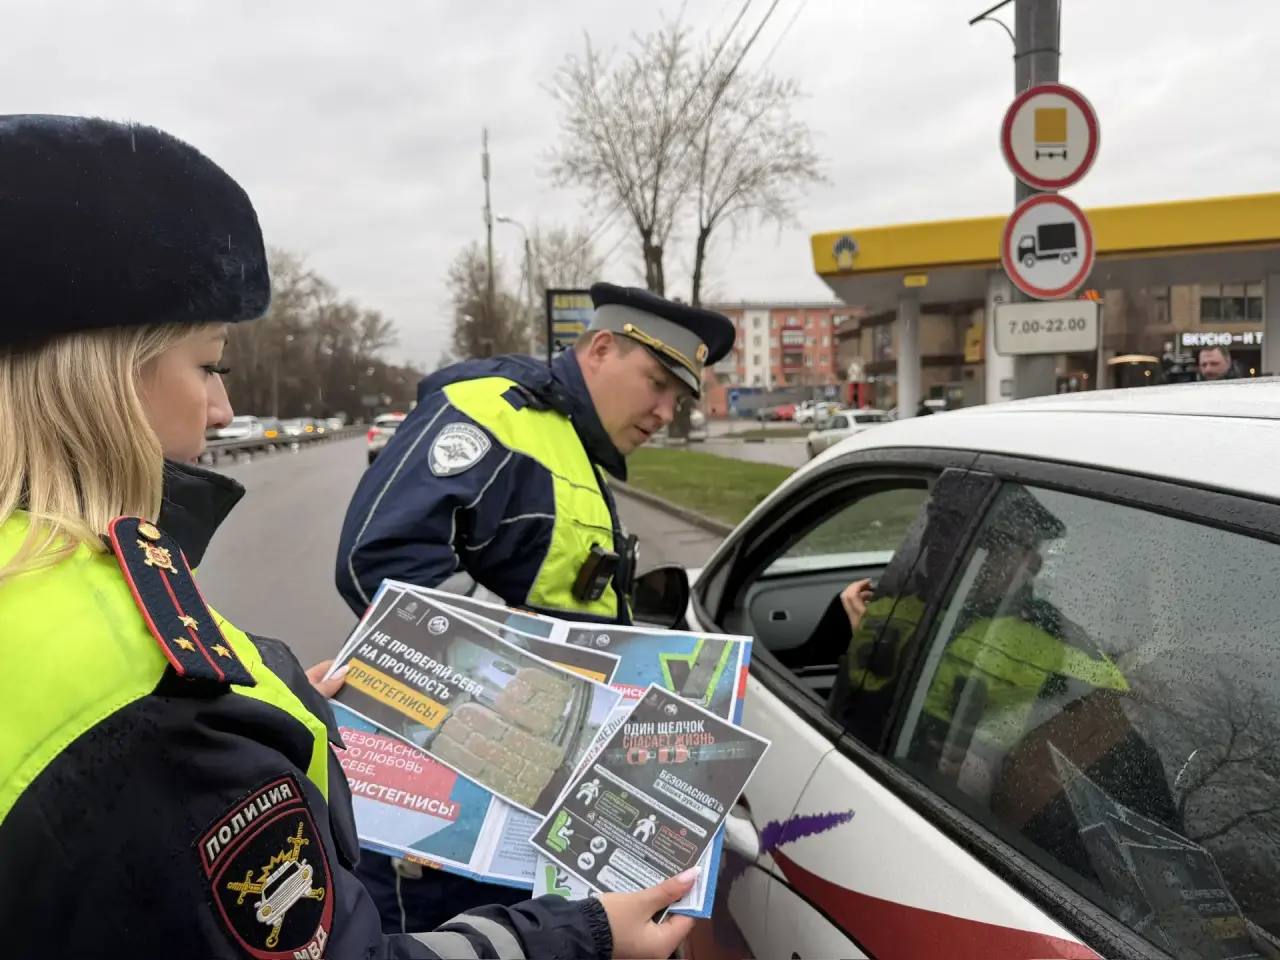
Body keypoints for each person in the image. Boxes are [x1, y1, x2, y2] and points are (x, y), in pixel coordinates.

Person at [0, 114, 697, 960]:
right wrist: (580, 933)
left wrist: (286, 698)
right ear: (94, 380)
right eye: (212, 364)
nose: (223, 410)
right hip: (494, 778)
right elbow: (383, 563)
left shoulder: (59, 591)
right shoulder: (153, 701)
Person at [334, 283, 733, 931]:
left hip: (526, 785)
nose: (665, 411)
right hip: (452, 810)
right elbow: (379, 560)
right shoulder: (494, 412)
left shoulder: (570, 445)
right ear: (601, 348)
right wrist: (525, 673)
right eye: (657, 382)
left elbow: (563, 603)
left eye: (680, 399)